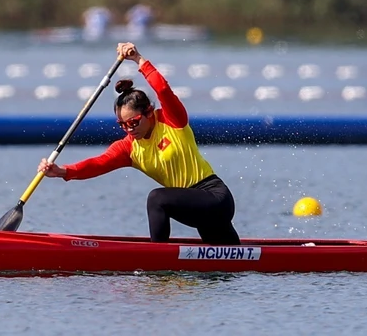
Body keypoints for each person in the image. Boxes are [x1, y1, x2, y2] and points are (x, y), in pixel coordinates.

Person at [38, 42, 241, 245]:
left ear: (149, 113)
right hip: (194, 209)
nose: (129, 129)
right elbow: (97, 164)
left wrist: (137, 59)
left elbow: (162, 88)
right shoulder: (129, 148)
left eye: (133, 122)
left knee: (157, 199)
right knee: (228, 265)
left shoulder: (171, 120)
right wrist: (62, 171)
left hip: (215, 197)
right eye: (122, 125)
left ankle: (157, 260)